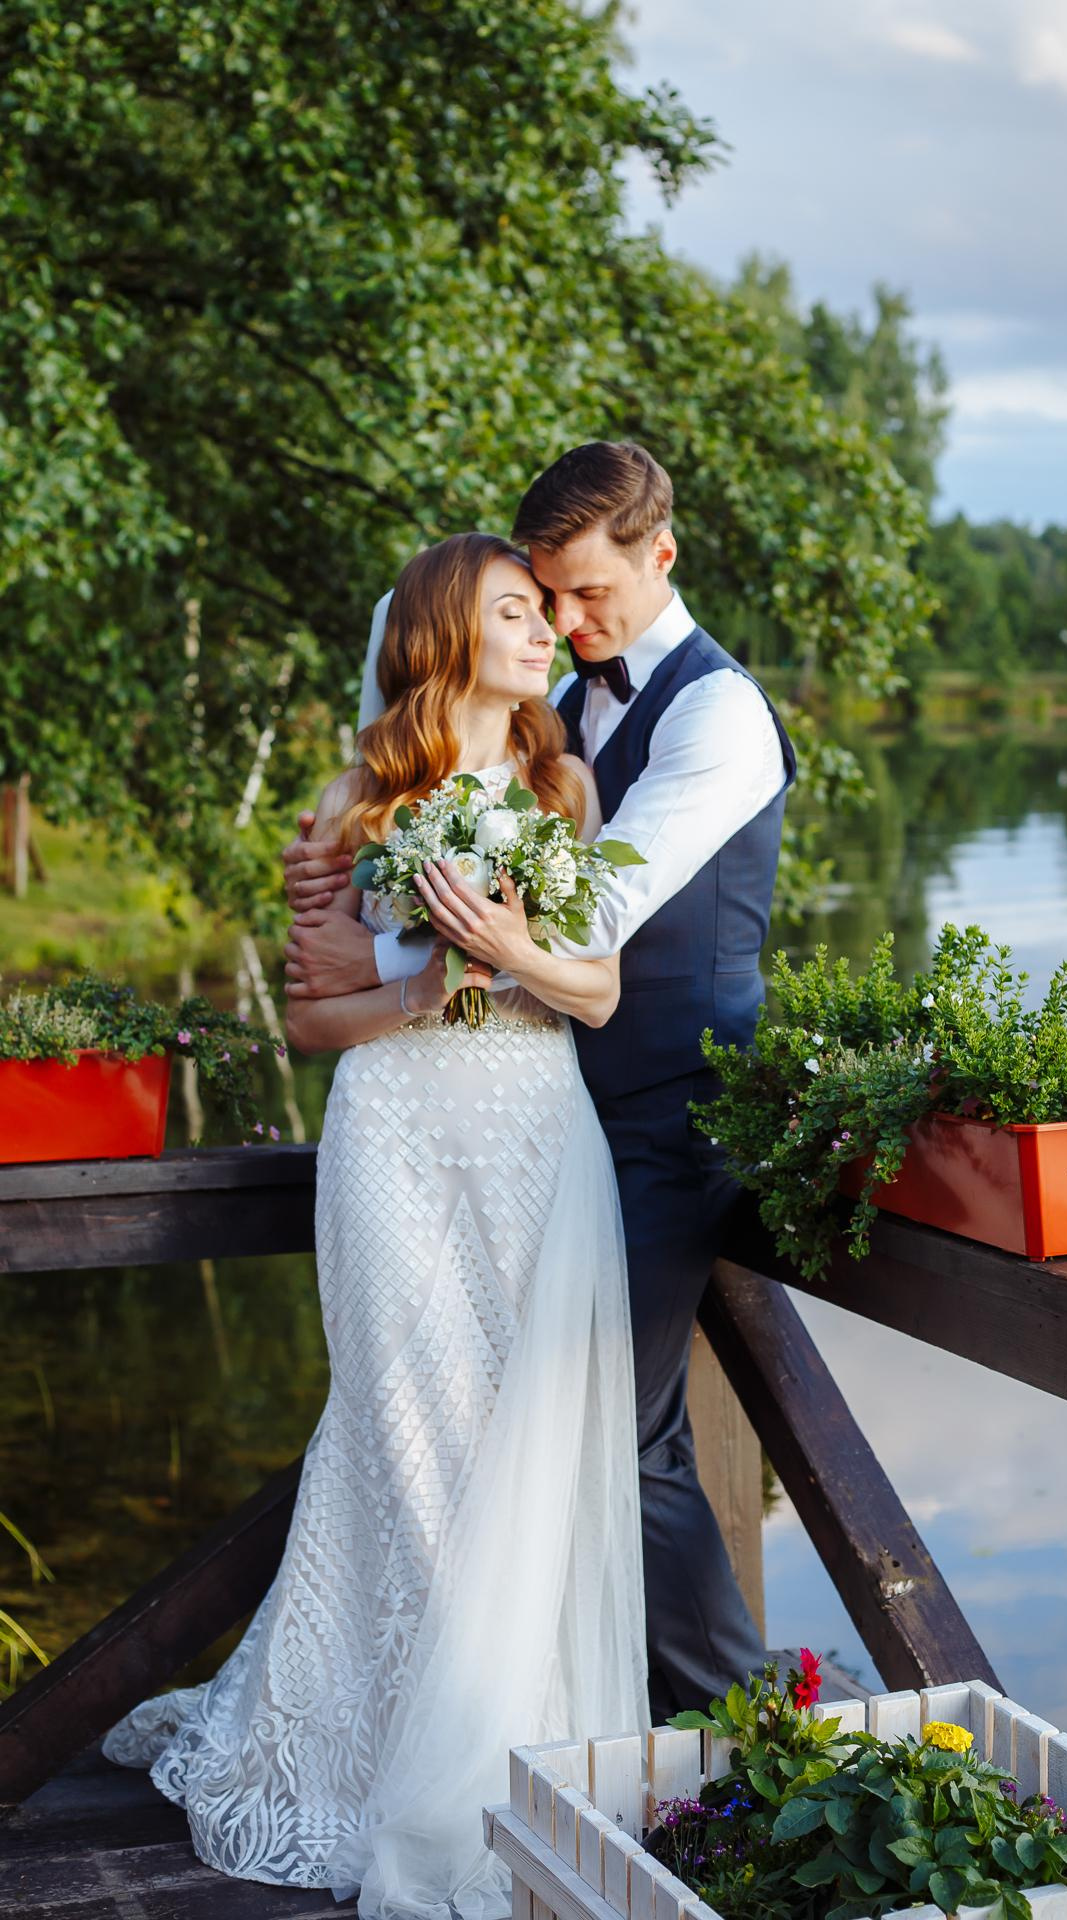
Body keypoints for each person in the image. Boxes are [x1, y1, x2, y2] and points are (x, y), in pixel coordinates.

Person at [104, 532, 649, 1920]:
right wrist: (429, 990)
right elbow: (309, 1018)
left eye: (546, 612)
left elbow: (595, 992)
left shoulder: (562, 783)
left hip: (535, 1137)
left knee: (522, 1442)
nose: (545, 634)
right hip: (396, 1140)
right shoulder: (356, 802)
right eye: (518, 612)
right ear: (443, 635)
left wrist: (508, 953)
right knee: (403, 1433)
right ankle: (397, 1772)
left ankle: (514, 1764)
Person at [285, 443, 797, 1723]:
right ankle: (567, 1726)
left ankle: (747, 1744)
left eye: (582, 597)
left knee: (607, 1434)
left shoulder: (717, 713)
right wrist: (354, 909)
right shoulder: (552, 720)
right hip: (539, 1112)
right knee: (482, 1421)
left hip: (668, 1115)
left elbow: (595, 910)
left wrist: (395, 941)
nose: (567, 627)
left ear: (658, 556)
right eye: (544, 601)